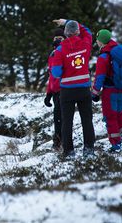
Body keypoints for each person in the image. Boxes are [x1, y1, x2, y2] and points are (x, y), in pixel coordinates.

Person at [50, 19, 95, 158]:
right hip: (84, 88)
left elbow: (56, 73)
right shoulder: (86, 43)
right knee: (87, 120)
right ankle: (88, 150)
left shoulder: (60, 49)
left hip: (67, 90)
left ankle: (69, 151)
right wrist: (67, 21)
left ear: (65, 33)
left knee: (67, 121)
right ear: (77, 32)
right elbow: (87, 31)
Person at [92, 29, 122, 152]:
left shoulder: (104, 56)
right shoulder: (118, 52)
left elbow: (100, 77)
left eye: (97, 39)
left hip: (110, 91)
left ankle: (116, 145)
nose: (96, 41)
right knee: (119, 114)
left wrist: (95, 92)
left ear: (101, 41)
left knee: (110, 117)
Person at [44, 28, 65, 150]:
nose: (57, 40)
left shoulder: (64, 51)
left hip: (65, 88)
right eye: (55, 38)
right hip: (56, 90)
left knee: (61, 117)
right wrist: (49, 94)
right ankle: (58, 141)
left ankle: (60, 142)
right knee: (57, 117)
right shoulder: (52, 54)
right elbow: (52, 76)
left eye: (60, 38)